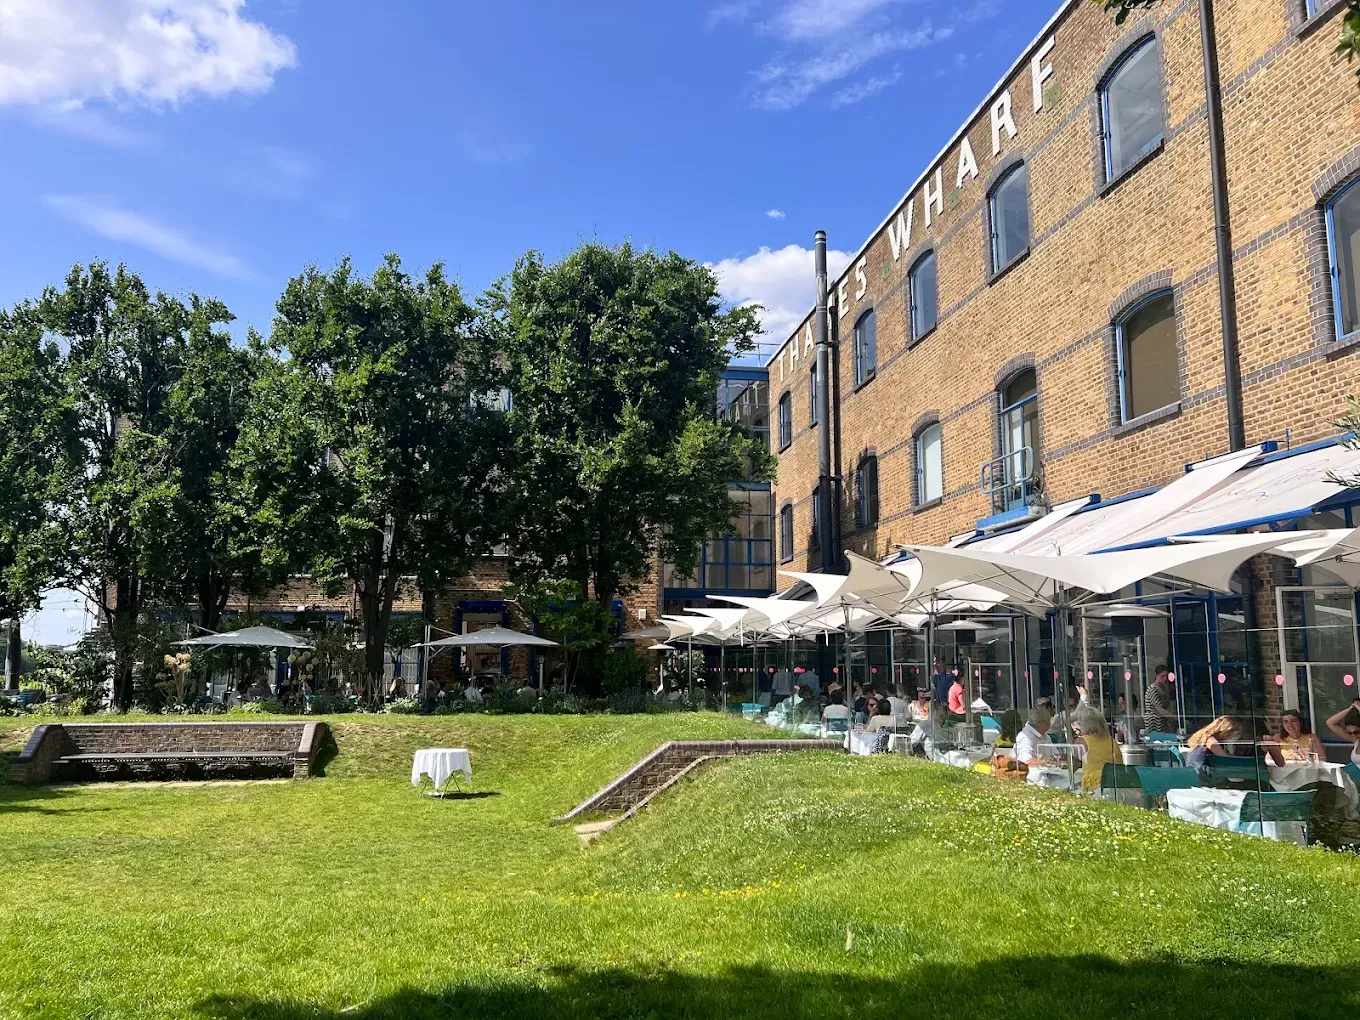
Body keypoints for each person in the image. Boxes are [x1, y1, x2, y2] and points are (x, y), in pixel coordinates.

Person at [1071, 705, 1116, 794]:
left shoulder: (1082, 740)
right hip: (1117, 784)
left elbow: (1072, 766)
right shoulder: (1111, 740)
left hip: (1095, 788)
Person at [1143, 665, 1178, 737]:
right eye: (1162, 676)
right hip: (1154, 724)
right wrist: (1174, 717)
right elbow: (1159, 709)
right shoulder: (1153, 689)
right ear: (1156, 676)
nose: (1165, 679)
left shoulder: (1163, 689)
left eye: (1166, 676)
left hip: (1162, 724)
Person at [1325, 700, 1360, 766]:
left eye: (1357, 732)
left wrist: (1358, 707)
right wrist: (1351, 708)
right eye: (1350, 733)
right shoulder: (1356, 741)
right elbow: (1330, 723)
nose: (1354, 735)